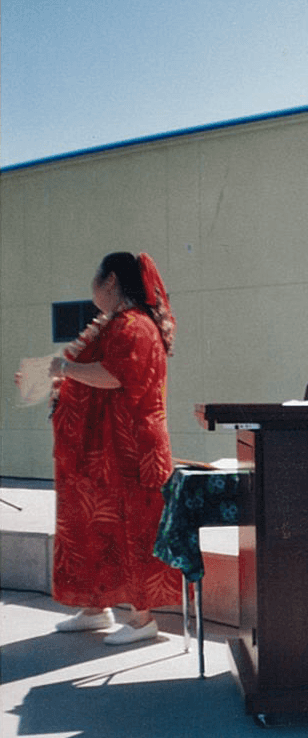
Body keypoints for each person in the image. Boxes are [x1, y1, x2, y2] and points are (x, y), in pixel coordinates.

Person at [46, 252, 182, 645]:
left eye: (96, 275)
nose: (92, 283)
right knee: (97, 527)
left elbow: (114, 376)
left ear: (110, 281)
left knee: (134, 528)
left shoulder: (132, 325)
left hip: (130, 448)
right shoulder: (118, 324)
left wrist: (64, 369)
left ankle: (142, 620)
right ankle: (95, 607)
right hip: (107, 448)